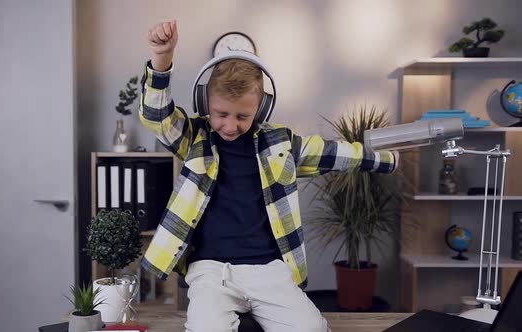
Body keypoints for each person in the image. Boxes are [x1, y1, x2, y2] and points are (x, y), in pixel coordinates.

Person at [139, 20, 399, 332]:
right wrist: (162, 58)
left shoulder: (281, 143)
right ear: (205, 102)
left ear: (261, 110)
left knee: (312, 329)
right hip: (211, 271)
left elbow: (336, 153)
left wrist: (390, 159)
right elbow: (157, 117)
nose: (231, 125)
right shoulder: (194, 137)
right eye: (222, 114)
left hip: (269, 270)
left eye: (243, 116)